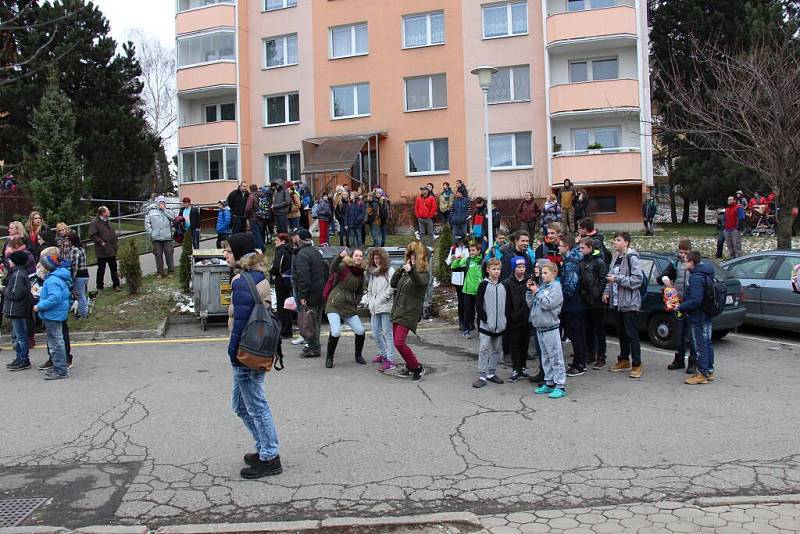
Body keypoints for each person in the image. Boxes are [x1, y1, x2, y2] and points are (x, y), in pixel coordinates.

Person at [224, 232, 282, 478]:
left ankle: (270, 456)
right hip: (256, 348)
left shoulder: (242, 281)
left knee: (256, 406)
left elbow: (239, 323)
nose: (225, 254)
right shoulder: (256, 276)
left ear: (239, 254)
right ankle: (264, 447)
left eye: (227, 250)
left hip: (246, 352)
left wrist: (232, 353)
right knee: (240, 405)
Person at [603, 232, 644, 378]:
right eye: (614, 240)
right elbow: (610, 277)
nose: (615, 242)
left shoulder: (632, 257)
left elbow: (637, 280)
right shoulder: (615, 257)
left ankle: (637, 363)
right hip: (616, 302)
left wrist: (618, 279)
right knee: (621, 333)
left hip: (629, 302)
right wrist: (606, 292)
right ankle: (624, 359)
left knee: (631, 334)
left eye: (618, 240)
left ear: (626, 242)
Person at [389, 241, 429, 382]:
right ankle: (411, 367)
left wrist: (411, 271)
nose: (412, 258)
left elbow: (419, 282)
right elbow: (393, 284)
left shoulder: (423, 273)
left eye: (415, 256)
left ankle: (417, 367)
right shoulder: (406, 272)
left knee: (399, 342)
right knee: (396, 342)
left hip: (409, 312)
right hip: (398, 310)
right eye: (411, 256)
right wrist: (400, 271)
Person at [527, 262, 567, 399]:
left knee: (556, 357)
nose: (542, 275)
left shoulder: (556, 287)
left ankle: (560, 385)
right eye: (541, 273)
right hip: (540, 327)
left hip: (551, 327)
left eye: (545, 273)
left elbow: (548, 303)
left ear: (554, 273)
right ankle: (549, 382)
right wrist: (530, 291)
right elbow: (531, 304)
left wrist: (536, 292)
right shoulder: (542, 287)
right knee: (545, 357)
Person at [659, 238, 698, 375]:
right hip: (679, 303)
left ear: (690, 251)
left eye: (685, 251)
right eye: (680, 251)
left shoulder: (695, 264)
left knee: (692, 335)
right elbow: (661, 276)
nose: (682, 254)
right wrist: (665, 280)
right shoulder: (675, 263)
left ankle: (693, 362)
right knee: (680, 333)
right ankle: (679, 359)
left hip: (692, 305)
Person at [677, 251, 716, 385]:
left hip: (698, 314)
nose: (683, 262)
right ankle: (709, 370)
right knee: (707, 342)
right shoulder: (706, 273)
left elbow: (696, 300)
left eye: (685, 260)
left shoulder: (696, 277)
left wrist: (681, 307)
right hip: (706, 312)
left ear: (692, 263)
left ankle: (702, 373)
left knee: (700, 344)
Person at [323, 249, 367, 369]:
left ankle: (358, 355)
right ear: (352, 257)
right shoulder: (344, 267)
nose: (358, 257)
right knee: (336, 331)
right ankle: (329, 358)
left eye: (360, 256)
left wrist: (356, 301)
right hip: (335, 304)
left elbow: (359, 292)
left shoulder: (361, 273)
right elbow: (333, 267)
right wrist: (339, 256)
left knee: (360, 330)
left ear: (362, 259)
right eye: (356, 255)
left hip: (349, 306)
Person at [33, 253, 71, 380]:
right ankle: (57, 366)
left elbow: (54, 298)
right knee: (54, 342)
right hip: (54, 314)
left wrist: (39, 306)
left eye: (41, 265)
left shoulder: (52, 280)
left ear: (47, 267)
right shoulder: (53, 278)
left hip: (53, 315)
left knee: (56, 343)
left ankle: (60, 370)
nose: (39, 267)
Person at [291, 229, 327, 359]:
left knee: (308, 321)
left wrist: (302, 296)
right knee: (315, 321)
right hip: (318, 291)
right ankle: (314, 345)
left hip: (310, 293)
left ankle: (312, 347)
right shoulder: (316, 251)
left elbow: (303, 277)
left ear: (300, 239)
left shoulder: (302, 255)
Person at [472, 258, 507, 388]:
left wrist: (504, 319)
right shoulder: (483, 285)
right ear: (487, 270)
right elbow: (479, 304)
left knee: (496, 350)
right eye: (494, 269)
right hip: (486, 325)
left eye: (498, 269)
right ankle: (482, 375)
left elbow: (506, 304)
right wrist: (484, 319)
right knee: (484, 349)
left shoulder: (503, 285)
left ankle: (491, 373)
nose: (496, 271)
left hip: (500, 325)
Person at [557, 235, 588, 376]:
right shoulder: (573, 260)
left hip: (572, 304)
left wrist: (560, 296)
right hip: (575, 303)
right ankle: (580, 360)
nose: (558, 247)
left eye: (560, 245)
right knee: (577, 333)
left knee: (575, 334)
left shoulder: (571, 263)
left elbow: (570, 286)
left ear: (567, 247)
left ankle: (579, 364)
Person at [365, 248, 396, 373]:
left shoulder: (390, 271)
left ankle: (391, 360)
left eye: (378, 258)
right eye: (375, 258)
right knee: (375, 333)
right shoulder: (374, 272)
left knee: (387, 334)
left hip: (386, 307)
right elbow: (370, 289)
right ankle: (383, 354)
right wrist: (369, 301)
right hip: (374, 307)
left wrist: (380, 300)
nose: (376, 261)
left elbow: (391, 289)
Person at [579, 237, 608, 370]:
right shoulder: (582, 261)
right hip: (585, 299)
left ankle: (601, 356)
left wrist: (596, 294)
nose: (581, 250)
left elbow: (603, 280)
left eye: (583, 248)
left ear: (590, 248)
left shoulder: (599, 262)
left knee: (598, 329)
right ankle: (590, 353)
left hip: (596, 301)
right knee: (587, 328)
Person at [503, 256, 532, 382]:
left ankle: (523, 367)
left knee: (524, 344)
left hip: (526, 319)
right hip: (513, 319)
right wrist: (509, 317)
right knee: (515, 344)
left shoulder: (529, 281)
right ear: (514, 268)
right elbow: (506, 302)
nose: (522, 270)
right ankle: (516, 369)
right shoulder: (507, 283)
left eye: (523, 267)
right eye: (519, 267)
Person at [3, 251, 32, 371]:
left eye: (10, 260)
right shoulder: (18, 273)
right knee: (17, 336)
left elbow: (16, 294)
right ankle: (19, 357)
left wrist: (3, 289)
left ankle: (23, 359)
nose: (8, 262)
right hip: (17, 310)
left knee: (20, 337)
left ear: (15, 261)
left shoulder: (18, 275)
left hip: (17, 310)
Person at [450, 241, 483, 339]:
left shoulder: (482, 261)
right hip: (467, 290)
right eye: (470, 251)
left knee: (480, 311)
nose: (471, 252)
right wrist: (457, 260)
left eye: (473, 250)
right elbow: (453, 266)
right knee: (467, 310)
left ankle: (481, 331)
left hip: (479, 290)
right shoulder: (467, 260)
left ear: (479, 251)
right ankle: (466, 330)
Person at [89, 206, 120, 292]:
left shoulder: (108, 221)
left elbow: (112, 233)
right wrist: (101, 242)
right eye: (107, 210)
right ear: (103, 213)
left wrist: (115, 243)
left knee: (114, 268)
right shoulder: (95, 222)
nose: (109, 211)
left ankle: (116, 284)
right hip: (102, 250)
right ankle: (99, 287)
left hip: (111, 249)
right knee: (101, 269)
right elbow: (93, 235)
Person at [269, 233, 294, 340]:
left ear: (282, 240)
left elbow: (276, 266)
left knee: (281, 306)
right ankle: (288, 330)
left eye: (277, 240)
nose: (275, 242)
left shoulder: (280, 251)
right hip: (289, 280)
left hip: (281, 280)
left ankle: (283, 331)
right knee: (288, 305)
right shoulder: (291, 250)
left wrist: (272, 272)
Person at [145, 196, 177, 277]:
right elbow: (147, 223)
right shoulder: (151, 212)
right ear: (157, 203)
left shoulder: (169, 211)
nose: (161, 204)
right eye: (160, 202)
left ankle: (171, 271)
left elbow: (173, 219)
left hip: (167, 237)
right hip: (156, 238)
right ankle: (160, 272)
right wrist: (151, 233)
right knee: (158, 255)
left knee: (169, 254)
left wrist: (164, 210)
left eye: (163, 203)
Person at [446, 237, 470, 333]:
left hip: (467, 275)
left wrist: (464, 259)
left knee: (467, 300)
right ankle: (462, 321)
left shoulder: (468, 248)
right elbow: (448, 262)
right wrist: (454, 259)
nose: (460, 242)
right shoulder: (454, 248)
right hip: (457, 276)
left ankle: (468, 321)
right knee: (461, 299)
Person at [66, 231, 89, 319]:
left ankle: (84, 314)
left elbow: (74, 266)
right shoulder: (81, 248)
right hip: (85, 273)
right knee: (82, 294)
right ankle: (82, 311)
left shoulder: (75, 250)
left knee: (80, 295)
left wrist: (72, 277)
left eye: (68, 240)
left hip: (79, 275)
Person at [244, 184, 263, 251]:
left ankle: (259, 249)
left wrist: (246, 216)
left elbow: (248, 208)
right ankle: (262, 248)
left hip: (253, 217)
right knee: (260, 233)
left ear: (250, 189)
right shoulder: (261, 195)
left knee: (256, 234)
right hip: (262, 217)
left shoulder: (251, 196)